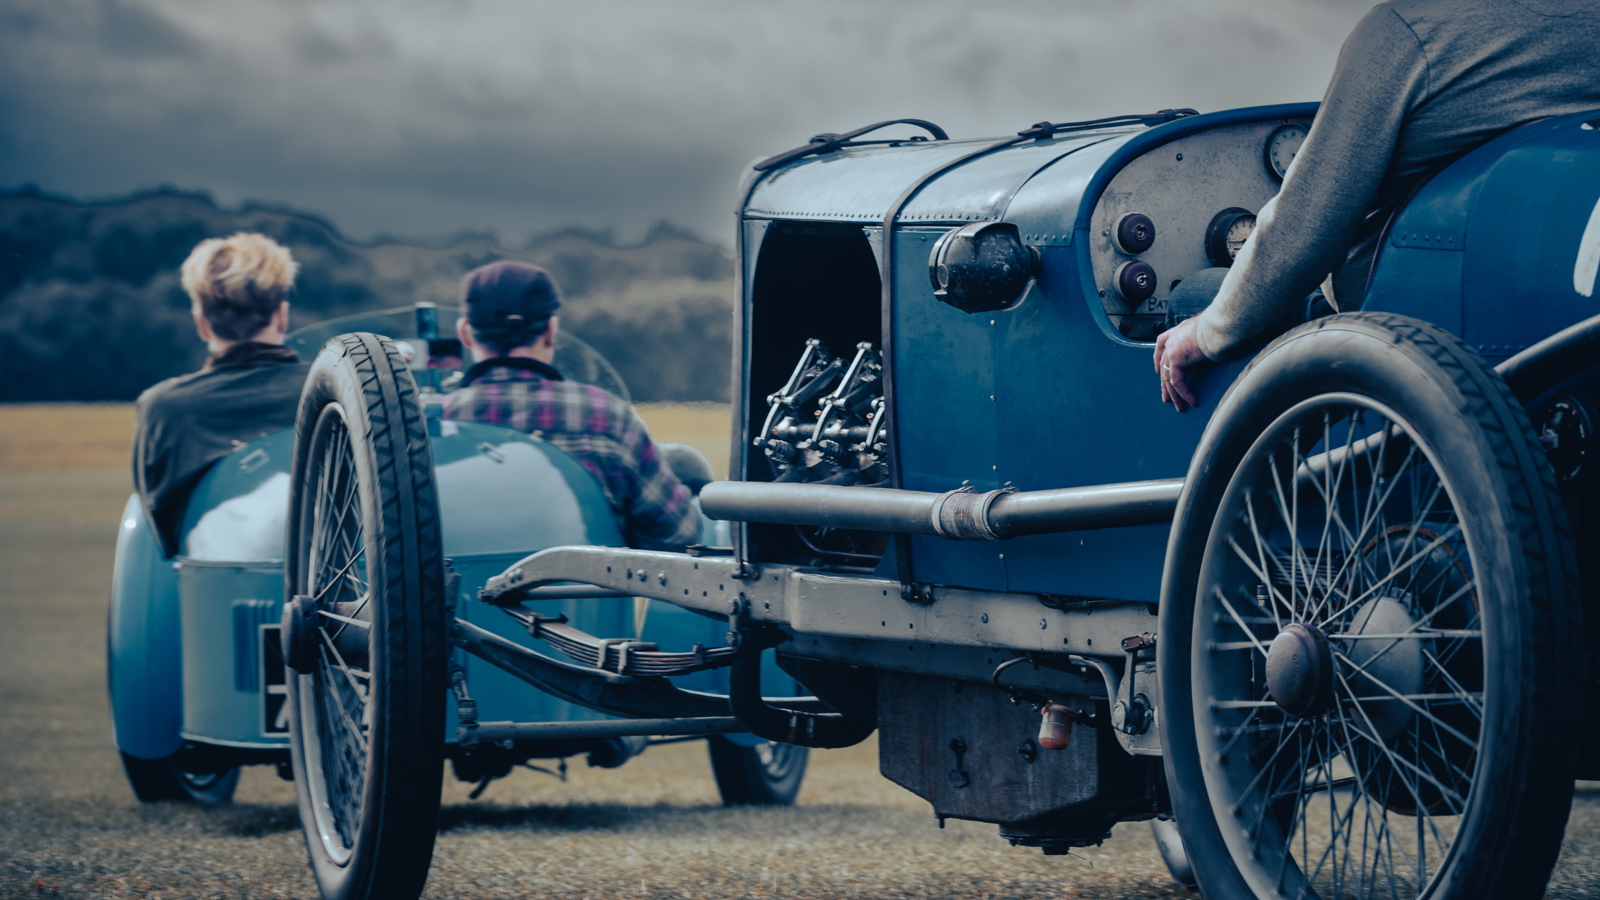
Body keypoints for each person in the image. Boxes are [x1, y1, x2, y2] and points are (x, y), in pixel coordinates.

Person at [1155, 0, 1600, 411]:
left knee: (1196, 299)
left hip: (1406, 323)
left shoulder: (1406, 31)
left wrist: (1205, 331)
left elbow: (1304, 235)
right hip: (1555, 308)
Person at [441, 260, 699, 550]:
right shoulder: (608, 415)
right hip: (585, 593)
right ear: (551, 330)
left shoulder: (435, 421)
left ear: (465, 333)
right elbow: (677, 533)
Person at [132, 233, 310, 554]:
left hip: (216, 584)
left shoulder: (163, 407)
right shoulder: (333, 387)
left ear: (202, 323)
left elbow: (165, 531)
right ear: (281, 315)